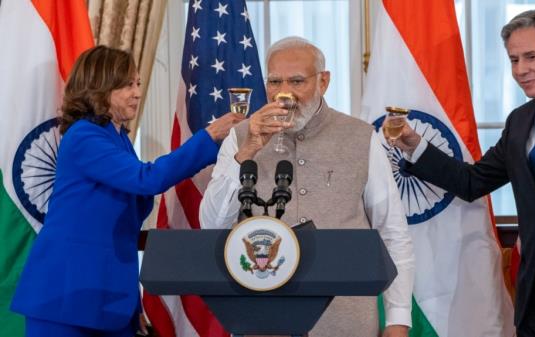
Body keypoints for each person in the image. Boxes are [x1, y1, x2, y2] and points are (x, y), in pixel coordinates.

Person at [389, 10, 535, 336]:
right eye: (514, 60)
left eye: (531, 57)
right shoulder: (519, 121)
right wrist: (415, 145)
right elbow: (472, 182)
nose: (520, 70)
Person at [10, 45, 243, 337]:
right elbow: (147, 179)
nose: (137, 92)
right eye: (126, 85)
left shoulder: (116, 138)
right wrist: (208, 136)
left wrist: (132, 306)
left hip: (107, 298)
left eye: (138, 84)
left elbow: (119, 232)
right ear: (98, 89)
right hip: (66, 298)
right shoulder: (84, 135)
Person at [200, 36, 415, 337]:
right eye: (275, 82)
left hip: (346, 320)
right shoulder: (240, 137)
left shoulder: (361, 137)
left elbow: (393, 233)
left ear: (323, 82)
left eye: (297, 81)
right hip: (263, 317)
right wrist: (246, 151)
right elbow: (212, 224)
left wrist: (397, 321)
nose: (284, 94)